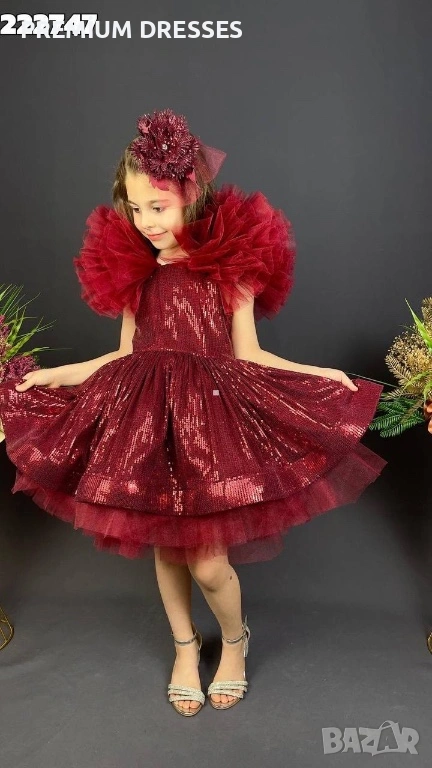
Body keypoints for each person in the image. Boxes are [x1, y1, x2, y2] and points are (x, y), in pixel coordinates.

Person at [0, 108, 387, 716]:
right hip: (146, 421)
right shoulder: (137, 271)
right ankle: (184, 646)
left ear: (192, 195)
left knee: (208, 561)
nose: (146, 221)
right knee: (164, 545)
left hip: (210, 426)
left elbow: (249, 353)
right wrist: (53, 374)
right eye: (135, 208)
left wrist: (317, 376)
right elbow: (124, 354)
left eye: (158, 206)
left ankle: (234, 640)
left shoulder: (228, 266)